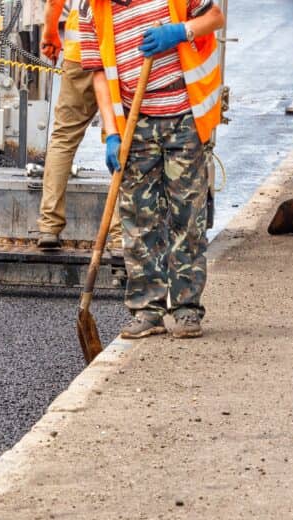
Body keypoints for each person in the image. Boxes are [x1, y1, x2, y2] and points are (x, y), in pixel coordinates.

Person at [80, 0, 225, 339]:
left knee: (187, 217)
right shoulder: (89, 8)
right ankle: (147, 311)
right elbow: (99, 73)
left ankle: (187, 309)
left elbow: (214, 17)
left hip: (184, 118)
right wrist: (111, 132)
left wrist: (180, 31)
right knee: (138, 220)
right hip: (135, 123)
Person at [35, 0, 121, 251]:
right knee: (123, 137)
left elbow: (55, 2)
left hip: (80, 51)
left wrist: (50, 32)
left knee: (64, 136)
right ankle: (119, 233)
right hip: (120, 53)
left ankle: (49, 226)